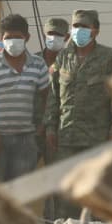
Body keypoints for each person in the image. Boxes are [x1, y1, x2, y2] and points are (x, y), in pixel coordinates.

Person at [45, 9, 112, 219]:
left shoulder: (108, 57)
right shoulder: (63, 57)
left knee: (95, 192)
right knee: (67, 192)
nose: (79, 31)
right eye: (76, 26)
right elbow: (53, 95)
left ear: (95, 31)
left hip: (96, 138)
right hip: (66, 137)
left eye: (84, 27)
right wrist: (50, 127)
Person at [0, 14, 50, 182]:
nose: (12, 42)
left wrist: (42, 126)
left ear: (27, 37)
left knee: (21, 189)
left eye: (17, 37)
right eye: (8, 37)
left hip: (26, 139)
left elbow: (47, 98)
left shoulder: (38, 64)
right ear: (1, 38)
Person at [35, 17, 71, 163]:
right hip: (33, 128)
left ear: (67, 37)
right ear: (44, 35)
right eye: (50, 33)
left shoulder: (71, 63)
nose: (54, 38)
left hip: (57, 130)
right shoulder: (32, 61)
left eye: (58, 34)